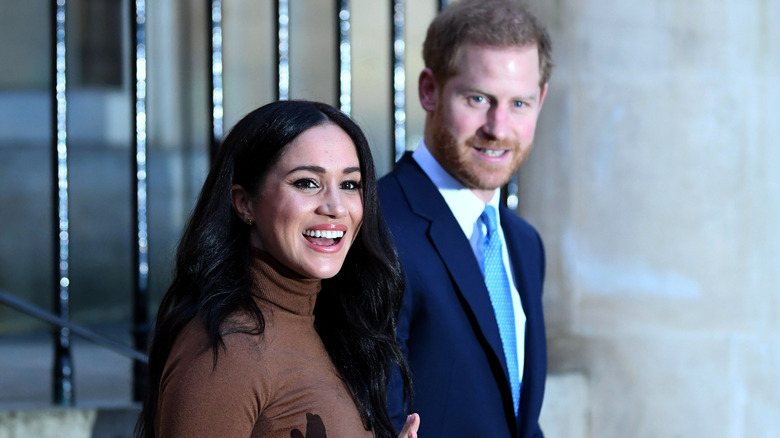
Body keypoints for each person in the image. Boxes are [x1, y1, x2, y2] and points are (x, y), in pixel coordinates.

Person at [136, 100, 420, 438]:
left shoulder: (329, 324)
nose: (335, 207)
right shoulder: (227, 353)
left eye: (349, 184)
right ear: (244, 203)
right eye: (306, 183)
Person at [379, 0, 553, 437]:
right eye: (478, 99)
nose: (498, 127)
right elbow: (378, 419)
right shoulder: (377, 226)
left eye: (519, 103)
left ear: (541, 100)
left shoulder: (524, 243)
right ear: (429, 90)